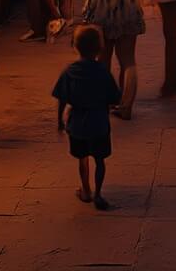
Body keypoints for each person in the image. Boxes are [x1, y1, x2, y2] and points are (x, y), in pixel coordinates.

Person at [53, 24, 121, 211]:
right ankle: (98, 193)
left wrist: (59, 120)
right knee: (100, 160)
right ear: (100, 47)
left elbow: (61, 98)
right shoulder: (102, 72)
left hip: (77, 123)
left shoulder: (70, 72)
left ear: (75, 46)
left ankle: (85, 189)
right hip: (99, 122)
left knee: (82, 158)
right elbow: (114, 97)